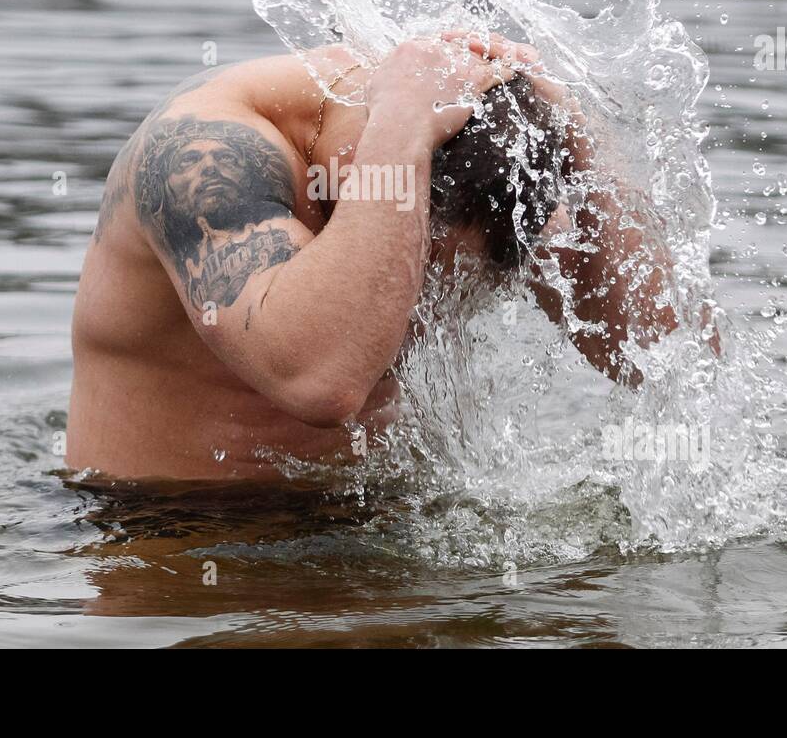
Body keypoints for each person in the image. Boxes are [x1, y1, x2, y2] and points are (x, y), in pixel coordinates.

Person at [67, 33, 679, 480]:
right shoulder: (203, 146)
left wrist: (575, 133)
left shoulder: (495, 162)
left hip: (377, 536)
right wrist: (404, 125)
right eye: (422, 265)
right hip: (172, 540)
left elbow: (663, 360)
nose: (424, 297)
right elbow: (322, 383)